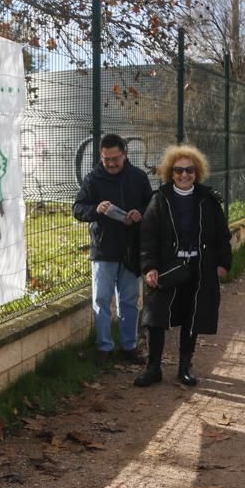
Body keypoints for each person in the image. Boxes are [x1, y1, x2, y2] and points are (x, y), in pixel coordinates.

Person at [137, 144, 232, 387]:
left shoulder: (208, 200)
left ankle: (185, 366)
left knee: (193, 316)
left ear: (197, 172)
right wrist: (149, 267)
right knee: (155, 317)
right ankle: (153, 367)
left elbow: (222, 235)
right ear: (171, 172)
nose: (184, 175)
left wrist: (223, 263)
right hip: (167, 269)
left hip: (199, 269)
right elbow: (148, 236)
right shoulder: (159, 200)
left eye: (190, 170)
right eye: (178, 170)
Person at [73, 133, 154, 368]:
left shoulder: (138, 178)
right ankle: (104, 348)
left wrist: (140, 213)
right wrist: (96, 209)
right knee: (101, 300)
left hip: (131, 248)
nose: (110, 163)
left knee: (129, 300)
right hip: (103, 250)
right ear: (101, 156)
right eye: (106, 159)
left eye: (115, 158)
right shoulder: (93, 179)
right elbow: (78, 209)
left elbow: (151, 205)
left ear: (125, 154)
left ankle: (129, 347)